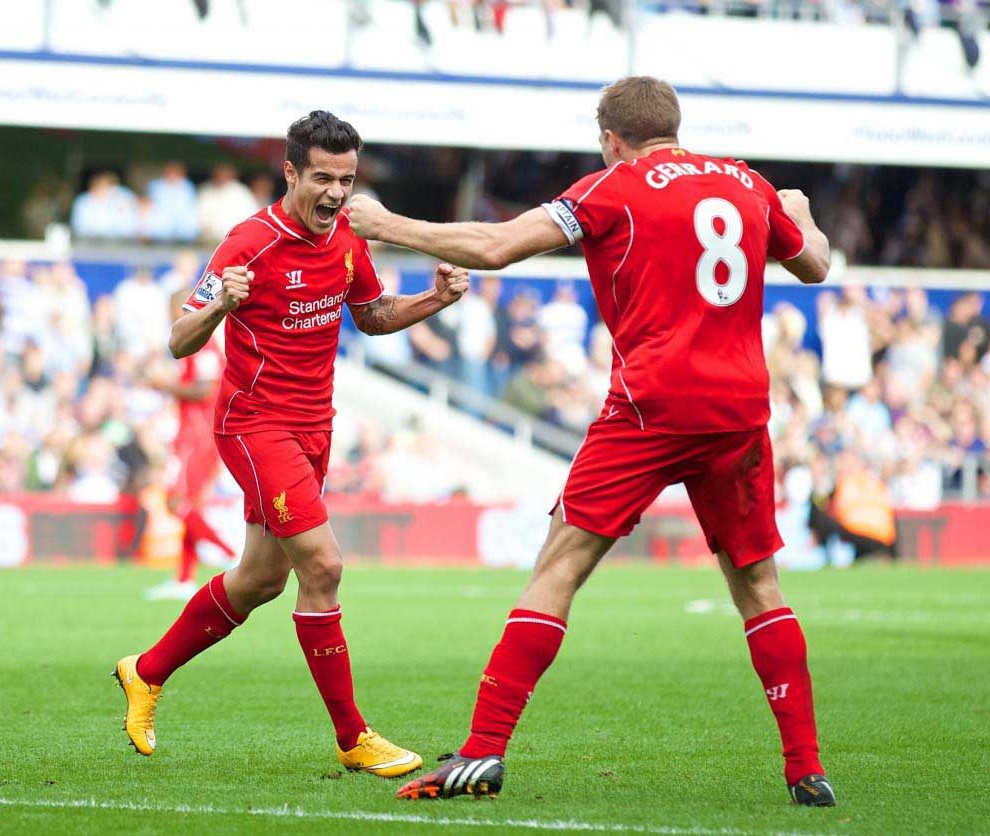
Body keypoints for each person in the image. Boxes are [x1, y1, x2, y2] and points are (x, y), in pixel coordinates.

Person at [348, 76, 835, 806]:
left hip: (650, 404)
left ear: (610, 137)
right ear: (675, 124)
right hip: (738, 408)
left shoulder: (615, 187)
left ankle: (483, 753)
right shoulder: (747, 184)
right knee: (760, 587)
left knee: (558, 567)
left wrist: (387, 224)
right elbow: (817, 265)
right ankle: (806, 770)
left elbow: (498, 244)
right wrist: (800, 212)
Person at [113, 111, 470, 779]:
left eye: (347, 179)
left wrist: (434, 300)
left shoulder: (346, 238)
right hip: (255, 425)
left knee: (260, 579)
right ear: (290, 172)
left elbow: (370, 315)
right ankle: (352, 736)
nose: (336, 193)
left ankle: (146, 671)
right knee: (324, 567)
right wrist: (220, 304)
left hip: (315, 428)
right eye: (322, 179)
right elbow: (179, 339)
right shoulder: (248, 241)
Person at [143, 289, 236, 601]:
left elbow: (204, 389)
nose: (171, 315)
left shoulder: (202, 344)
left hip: (197, 435)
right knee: (188, 505)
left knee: (174, 500)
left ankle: (227, 552)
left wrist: (164, 385)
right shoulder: (198, 344)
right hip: (198, 432)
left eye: (174, 308)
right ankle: (184, 579)